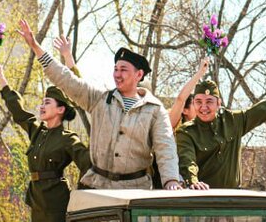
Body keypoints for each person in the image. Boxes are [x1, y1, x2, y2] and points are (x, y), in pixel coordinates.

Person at [17, 20, 182, 190]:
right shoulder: (99, 99)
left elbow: (165, 147)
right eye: (115, 69)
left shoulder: (155, 110)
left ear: (139, 74)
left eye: (123, 69)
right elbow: (65, 78)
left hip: (136, 190)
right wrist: (35, 47)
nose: (117, 74)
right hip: (98, 187)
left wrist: (171, 181)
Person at [0, 63, 91, 222]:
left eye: (47, 103)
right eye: (42, 102)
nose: (41, 106)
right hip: (38, 201)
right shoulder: (38, 132)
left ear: (60, 109)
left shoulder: (67, 138)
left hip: (56, 203)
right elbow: (18, 112)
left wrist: (80, 197)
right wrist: (2, 79)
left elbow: (88, 165)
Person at [175, 77, 266, 189]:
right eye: (199, 102)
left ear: (219, 103)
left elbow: (265, 109)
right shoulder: (186, 132)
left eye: (209, 101)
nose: (204, 107)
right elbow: (187, 161)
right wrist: (193, 182)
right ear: (193, 103)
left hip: (232, 201)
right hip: (202, 199)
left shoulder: (233, 121)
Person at [167, 56, 212, 132]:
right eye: (196, 103)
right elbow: (180, 100)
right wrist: (200, 73)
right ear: (185, 110)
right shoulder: (172, 125)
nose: (201, 107)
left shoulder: (204, 132)